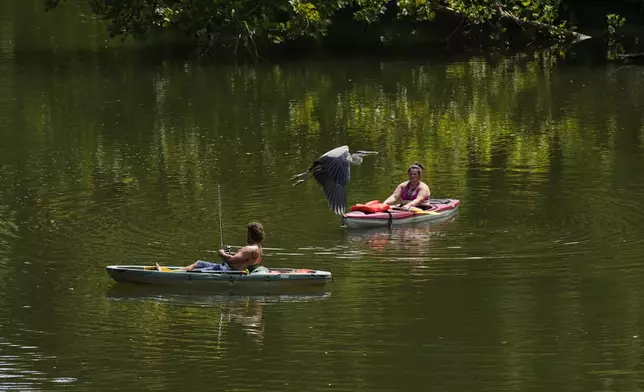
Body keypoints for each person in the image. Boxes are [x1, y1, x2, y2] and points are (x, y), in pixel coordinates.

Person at [156, 222, 264, 272]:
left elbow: (231, 260)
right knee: (198, 263)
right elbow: (240, 259)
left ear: (250, 234)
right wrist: (229, 255)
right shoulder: (259, 249)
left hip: (226, 270)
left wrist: (222, 253)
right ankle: (172, 272)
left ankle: (166, 274)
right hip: (228, 268)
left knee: (195, 271)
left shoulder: (249, 249)